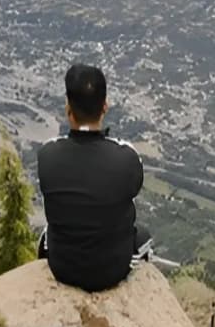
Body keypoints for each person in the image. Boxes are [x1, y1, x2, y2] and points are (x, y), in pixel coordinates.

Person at [36, 64, 152, 292]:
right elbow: (133, 188)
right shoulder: (126, 158)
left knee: (46, 233)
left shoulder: (47, 155)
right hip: (112, 272)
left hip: (62, 268)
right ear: (105, 107)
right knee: (143, 236)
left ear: (68, 109)